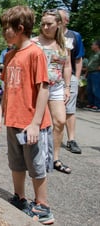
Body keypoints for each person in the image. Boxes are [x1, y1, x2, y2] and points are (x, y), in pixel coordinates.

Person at [0, 5, 54, 225]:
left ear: (19, 28)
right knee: (16, 163)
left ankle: (43, 206)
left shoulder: (35, 53)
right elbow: (7, 89)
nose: (3, 33)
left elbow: (44, 89)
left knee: (36, 165)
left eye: (5, 28)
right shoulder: (9, 56)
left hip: (32, 124)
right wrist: (0, 114)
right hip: (14, 121)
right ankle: (20, 198)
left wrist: (36, 123)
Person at [32, 9, 72, 174]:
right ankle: (33, 156)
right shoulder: (34, 42)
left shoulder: (64, 43)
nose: (45, 27)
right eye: (43, 24)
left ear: (59, 24)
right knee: (37, 121)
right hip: (38, 86)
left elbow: (67, 66)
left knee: (60, 121)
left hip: (56, 86)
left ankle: (54, 158)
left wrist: (67, 87)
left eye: (49, 24)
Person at [58, 9, 85, 154]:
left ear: (66, 21)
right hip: (52, 77)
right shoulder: (49, 35)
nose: (57, 21)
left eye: (60, 18)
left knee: (69, 109)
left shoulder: (74, 36)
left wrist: (77, 78)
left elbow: (78, 58)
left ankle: (71, 139)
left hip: (70, 76)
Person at [85, 40, 100, 111]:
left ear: (97, 46)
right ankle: (90, 103)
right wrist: (86, 73)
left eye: (93, 45)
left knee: (96, 89)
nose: (91, 46)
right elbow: (89, 65)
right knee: (89, 89)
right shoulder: (92, 54)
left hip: (96, 73)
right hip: (90, 73)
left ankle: (97, 105)